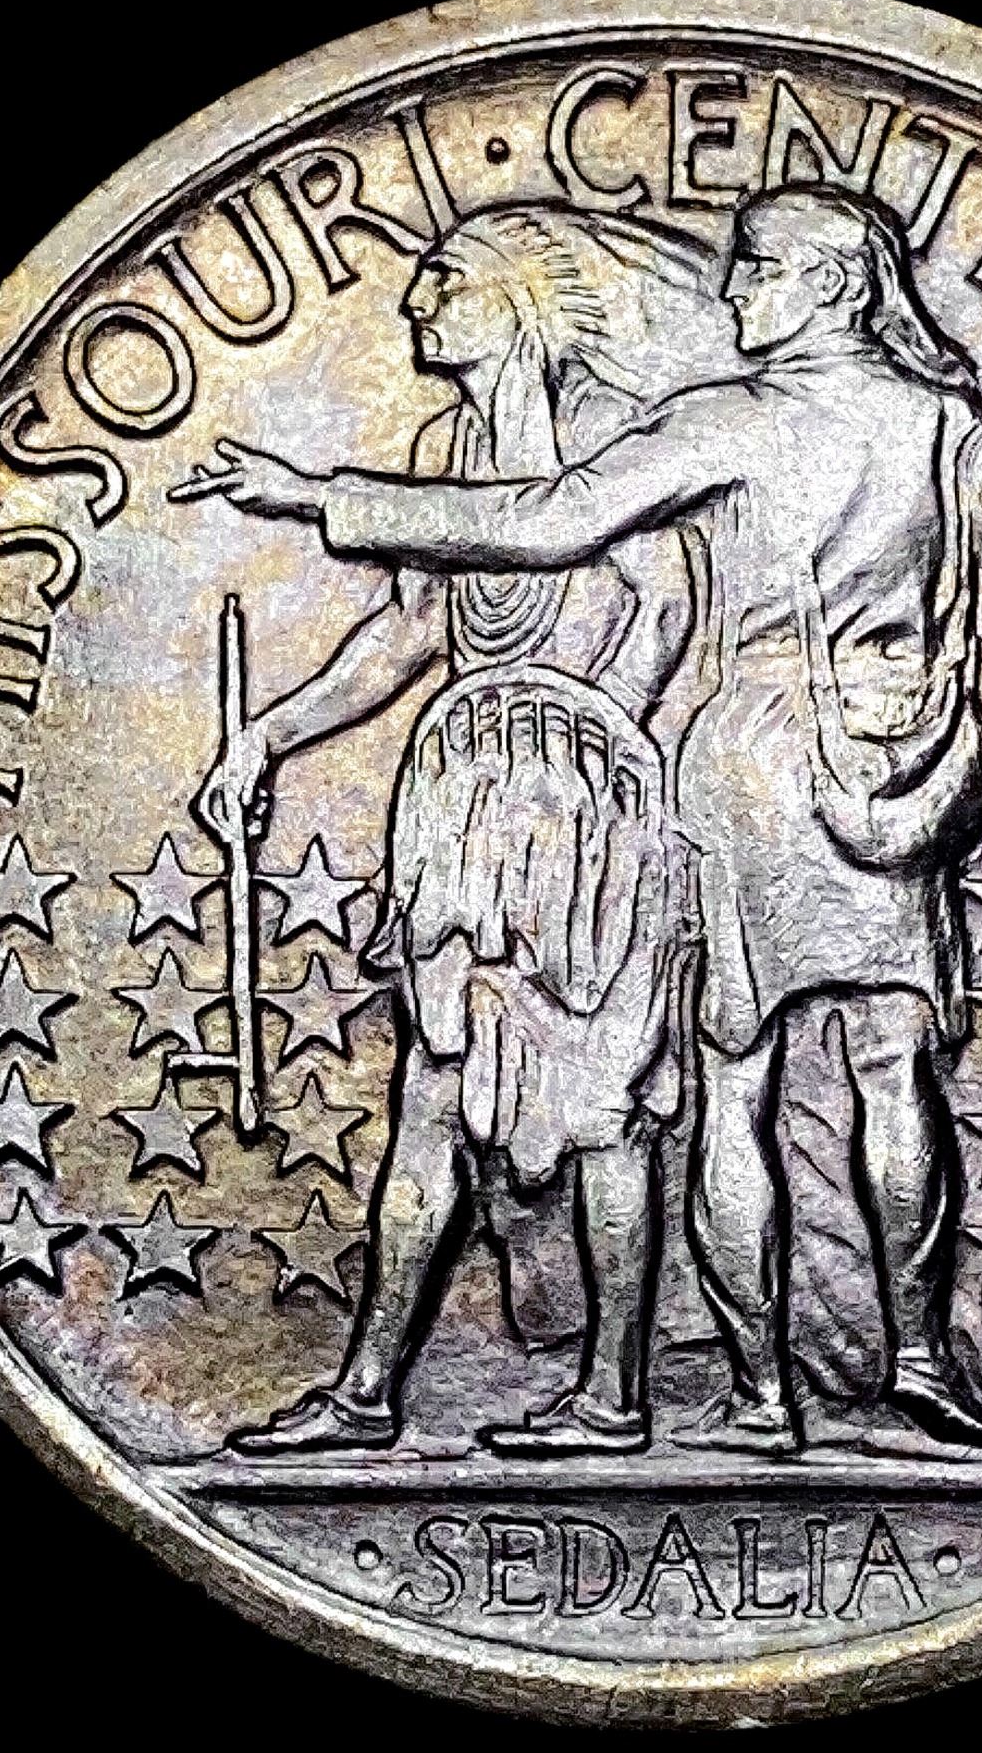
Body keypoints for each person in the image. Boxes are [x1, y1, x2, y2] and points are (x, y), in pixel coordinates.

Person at [186, 182, 982, 1452]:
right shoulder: (948, 427)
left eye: (757, 267)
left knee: (733, 1084)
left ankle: (762, 1400)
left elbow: (545, 524)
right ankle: (919, 1359)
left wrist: (323, 494)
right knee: (894, 1070)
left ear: (831, 287)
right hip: (900, 760)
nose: (733, 287)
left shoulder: (731, 420)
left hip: (743, 766)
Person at [199, 203, 743, 1456]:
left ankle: (612, 1398)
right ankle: (365, 1394)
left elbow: (665, 605)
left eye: (444, 280)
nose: (416, 302)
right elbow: (406, 634)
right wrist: (267, 735)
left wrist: (585, 747)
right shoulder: (443, 445)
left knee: (605, 1106)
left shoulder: (608, 429)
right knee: (432, 1095)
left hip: (592, 816)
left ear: (519, 299)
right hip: (462, 811)